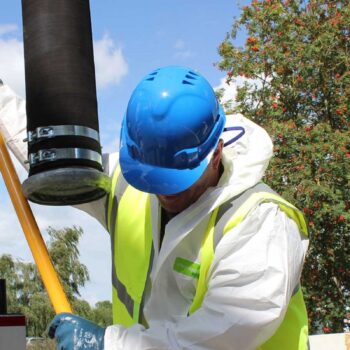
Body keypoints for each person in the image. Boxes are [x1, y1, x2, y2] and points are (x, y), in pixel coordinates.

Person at [0, 66, 309, 350]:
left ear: (216, 153)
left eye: (177, 179)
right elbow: (55, 153)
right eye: (151, 176)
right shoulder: (127, 186)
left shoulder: (260, 222)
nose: (163, 193)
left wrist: (105, 344)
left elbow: (224, 332)